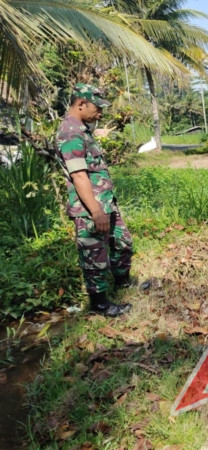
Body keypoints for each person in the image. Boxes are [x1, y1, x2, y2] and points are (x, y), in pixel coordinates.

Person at [56, 84, 133, 317]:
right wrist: (96, 211)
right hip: (90, 208)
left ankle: (123, 284)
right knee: (94, 257)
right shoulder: (70, 132)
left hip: (105, 202)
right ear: (81, 104)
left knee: (122, 242)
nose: (100, 114)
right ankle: (100, 304)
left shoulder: (82, 129)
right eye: (97, 108)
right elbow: (78, 175)